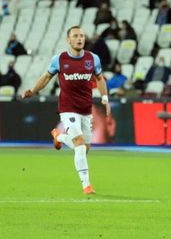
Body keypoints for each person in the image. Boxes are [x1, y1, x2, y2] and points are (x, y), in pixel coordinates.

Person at [21, 26, 110, 194]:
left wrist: (105, 99)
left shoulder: (93, 59)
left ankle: (59, 136)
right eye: (75, 36)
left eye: (82, 36)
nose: (79, 39)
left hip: (86, 108)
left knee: (84, 148)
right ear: (68, 40)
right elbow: (46, 76)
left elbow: (100, 78)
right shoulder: (59, 59)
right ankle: (86, 185)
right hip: (68, 107)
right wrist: (32, 91)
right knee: (80, 145)